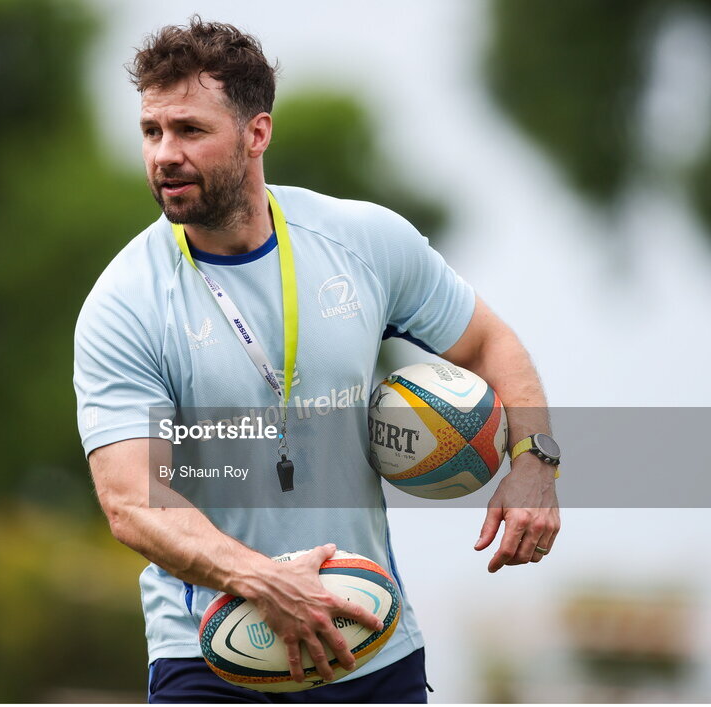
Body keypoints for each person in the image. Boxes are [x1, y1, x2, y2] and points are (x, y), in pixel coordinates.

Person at [73, 17, 560, 704]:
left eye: (189, 130)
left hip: (369, 643)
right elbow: (131, 503)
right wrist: (262, 579)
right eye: (152, 131)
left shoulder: (363, 241)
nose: (164, 154)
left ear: (257, 133)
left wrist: (534, 460)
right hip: (211, 653)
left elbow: (489, 343)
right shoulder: (125, 302)